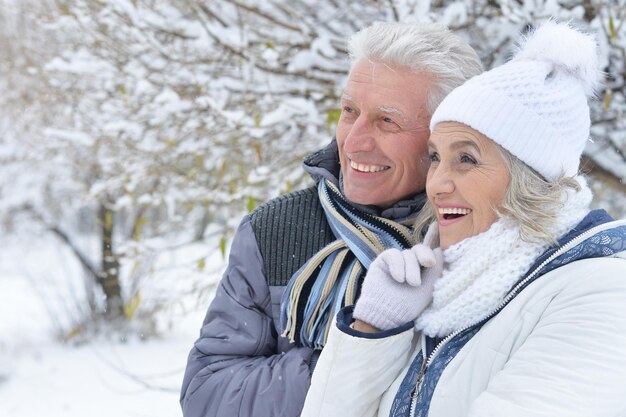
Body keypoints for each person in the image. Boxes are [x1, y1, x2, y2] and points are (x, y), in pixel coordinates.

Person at [301, 20, 626, 417]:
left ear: (531, 178)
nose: (436, 184)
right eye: (436, 157)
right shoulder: (457, 290)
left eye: (466, 159)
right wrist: (375, 328)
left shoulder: (601, 295)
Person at [180, 22, 483, 417]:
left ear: (444, 135)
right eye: (349, 111)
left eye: (386, 120)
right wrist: (355, 354)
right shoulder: (277, 230)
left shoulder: (482, 233)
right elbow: (207, 392)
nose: (353, 141)